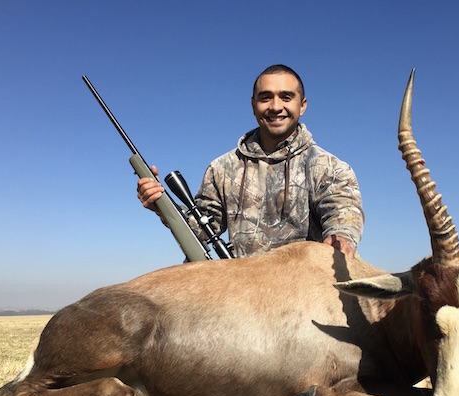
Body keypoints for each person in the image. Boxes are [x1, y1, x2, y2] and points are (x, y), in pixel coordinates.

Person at [137, 64, 364, 258]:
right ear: (253, 105)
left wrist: (342, 237)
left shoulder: (329, 167)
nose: (275, 107)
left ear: (302, 105)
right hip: (240, 292)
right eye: (266, 98)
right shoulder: (221, 168)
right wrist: (163, 206)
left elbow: (343, 214)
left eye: (286, 97)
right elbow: (203, 230)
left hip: (303, 294)